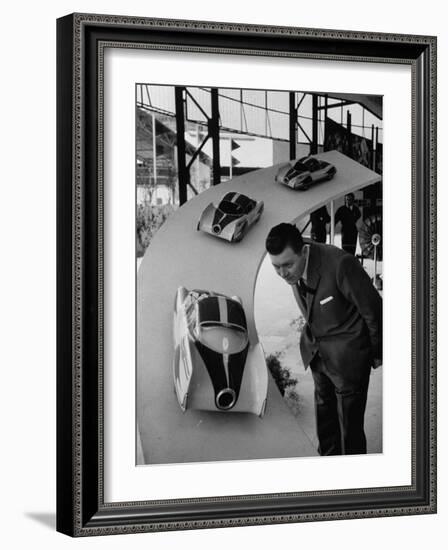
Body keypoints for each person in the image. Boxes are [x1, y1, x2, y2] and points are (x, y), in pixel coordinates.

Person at [265, 223, 382, 455]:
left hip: (348, 362)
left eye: (287, 265)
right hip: (318, 357)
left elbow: (374, 310)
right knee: (326, 426)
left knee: (350, 432)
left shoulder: (341, 264)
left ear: (305, 252)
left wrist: (376, 353)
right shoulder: (293, 268)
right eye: (276, 267)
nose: (282, 273)